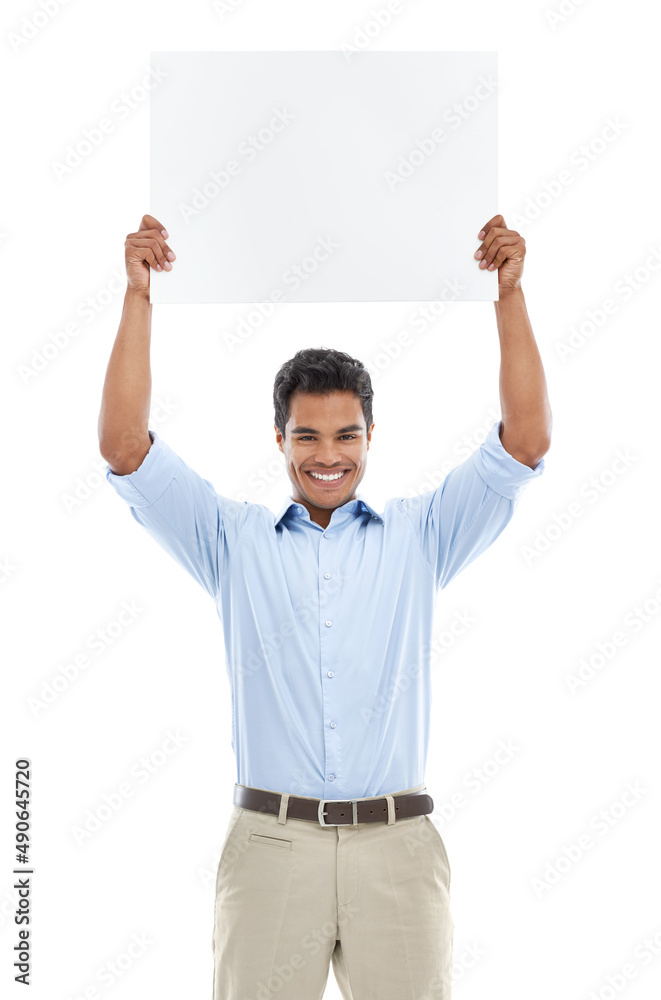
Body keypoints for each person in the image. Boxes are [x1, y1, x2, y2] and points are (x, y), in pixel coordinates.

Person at [98, 212, 552, 999]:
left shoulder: (421, 534)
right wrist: (138, 297)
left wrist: (508, 296)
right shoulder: (231, 540)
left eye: (346, 434)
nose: (329, 455)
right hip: (271, 848)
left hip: (397, 849)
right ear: (278, 438)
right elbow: (125, 448)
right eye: (307, 437)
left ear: (371, 433)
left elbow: (524, 443)